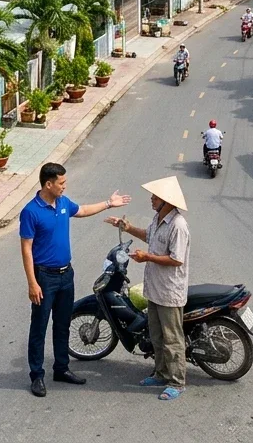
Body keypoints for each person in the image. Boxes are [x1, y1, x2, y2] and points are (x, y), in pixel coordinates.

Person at [19, 162, 130, 397]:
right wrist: (32, 282)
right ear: (48, 184)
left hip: (66, 275)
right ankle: (37, 375)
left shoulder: (63, 203)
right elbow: (26, 249)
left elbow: (83, 210)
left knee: (63, 324)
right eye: (61, 183)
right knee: (39, 327)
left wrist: (109, 203)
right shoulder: (31, 211)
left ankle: (61, 368)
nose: (64, 186)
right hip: (44, 277)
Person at [105, 176, 190, 401]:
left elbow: (176, 259)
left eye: (156, 197)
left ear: (167, 201)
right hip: (154, 289)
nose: (151, 199)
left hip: (169, 291)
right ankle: (161, 373)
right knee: (157, 335)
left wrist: (147, 257)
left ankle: (177, 382)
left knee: (172, 339)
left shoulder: (178, 225)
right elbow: (148, 235)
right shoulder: (158, 219)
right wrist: (127, 227)